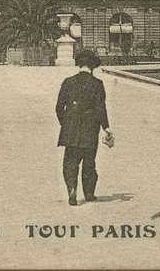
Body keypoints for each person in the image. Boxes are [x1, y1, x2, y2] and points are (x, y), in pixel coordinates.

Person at [55, 51, 112, 205]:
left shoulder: (68, 82)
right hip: (90, 129)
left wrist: (66, 124)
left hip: (70, 129)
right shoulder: (97, 84)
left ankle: (72, 189)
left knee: (70, 162)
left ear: (79, 65)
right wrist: (105, 127)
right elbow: (101, 108)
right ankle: (88, 193)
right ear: (92, 67)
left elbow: (59, 107)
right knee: (89, 162)